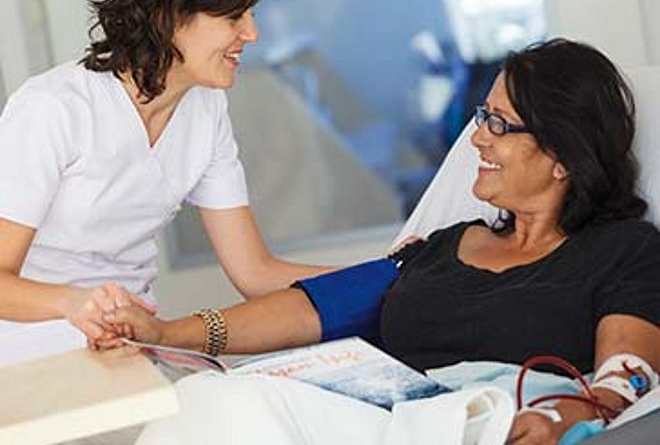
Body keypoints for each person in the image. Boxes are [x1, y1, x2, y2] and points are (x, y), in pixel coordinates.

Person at [102, 39, 659, 445]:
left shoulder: (624, 251)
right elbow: (316, 306)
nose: (478, 138)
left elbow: (625, 377)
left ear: (563, 155)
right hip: (384, 417)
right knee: (209, 400)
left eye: (500, 124)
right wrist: (168, 334)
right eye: (482, 116)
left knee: (233, 409)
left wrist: (566, 415)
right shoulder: (443, 246)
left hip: (489, 420)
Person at [0, 0, 330, 356]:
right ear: (169, 15)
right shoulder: (53, 108)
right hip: (33, 350)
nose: (251, 33)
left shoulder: (205, 109)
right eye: (234, 16)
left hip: (130, 344)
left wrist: (388, 275)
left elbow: (255, 273)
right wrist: (72, 302)